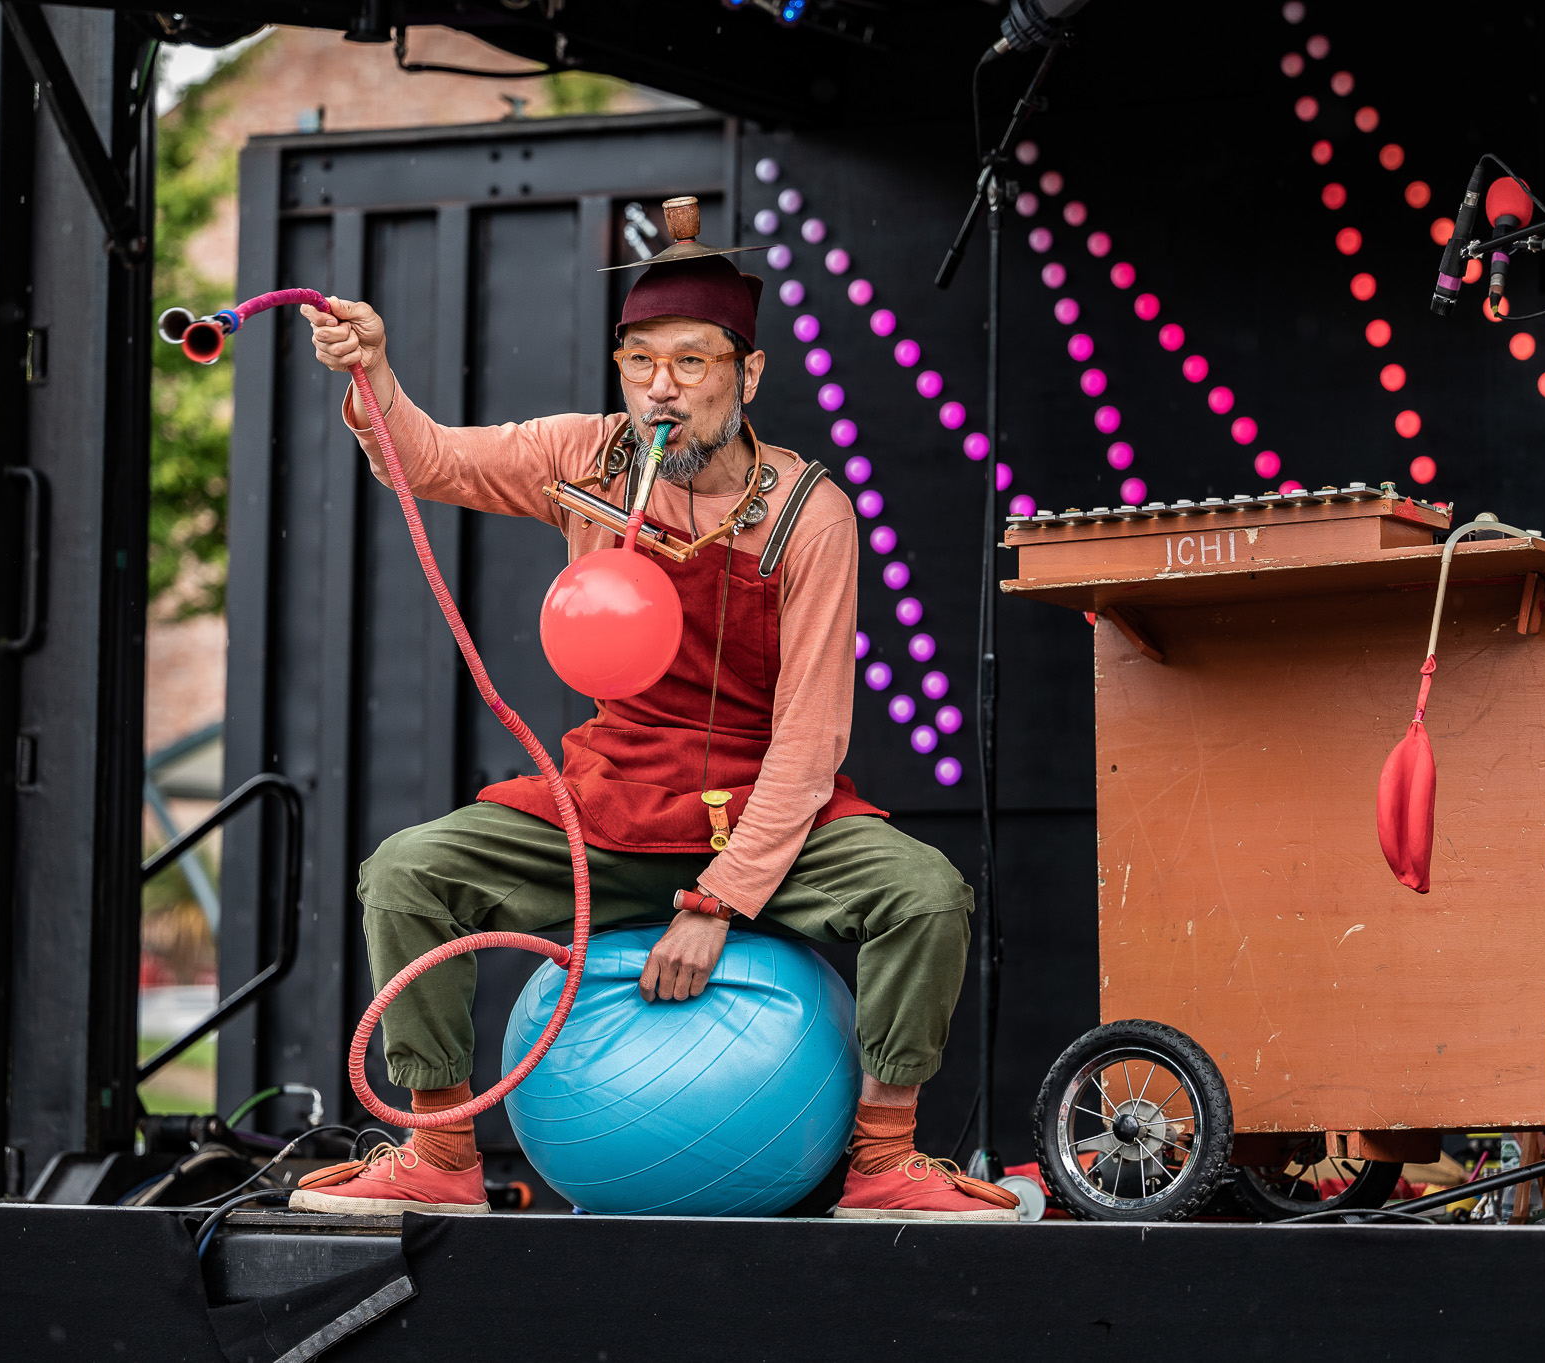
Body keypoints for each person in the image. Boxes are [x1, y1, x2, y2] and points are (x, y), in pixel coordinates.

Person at [289, 198, 1015, 1223]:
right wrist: (373, 374)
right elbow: (432, 458)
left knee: (924, 894)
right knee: (407, 873)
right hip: (617, 794)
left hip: (765, 813)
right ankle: (441, 1151)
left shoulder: (807, 515)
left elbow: (810, 743)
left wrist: (717, 902)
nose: (659, 388)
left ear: (747, 376)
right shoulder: (585, 459)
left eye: (689, 362)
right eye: (638, 363)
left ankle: (884, 1159)